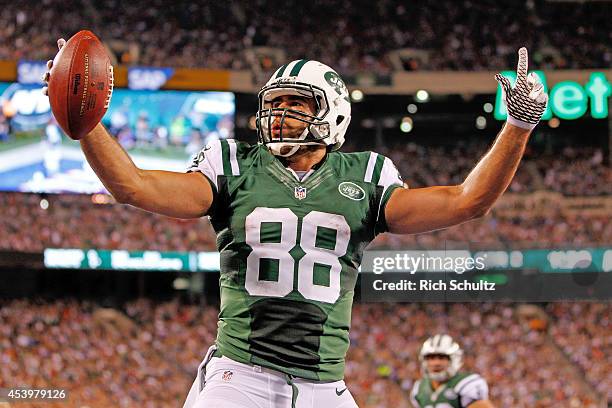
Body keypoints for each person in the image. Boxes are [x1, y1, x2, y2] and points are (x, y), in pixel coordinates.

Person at [43, 41, 547, 408]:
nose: (279, 114)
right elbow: (132, 186)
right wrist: (87, 124)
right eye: (274, 104)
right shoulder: (233, 164)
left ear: (332, 115)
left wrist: (518, 125)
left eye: (296, 104)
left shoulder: (367, 176)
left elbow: (467, 201)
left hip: (324, 385)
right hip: (238, 377)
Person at [410, 334, 494, 408]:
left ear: (454, 360)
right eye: (431, 358)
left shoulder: (466, 384)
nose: (436, 363)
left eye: (442, 357)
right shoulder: (419, 388)